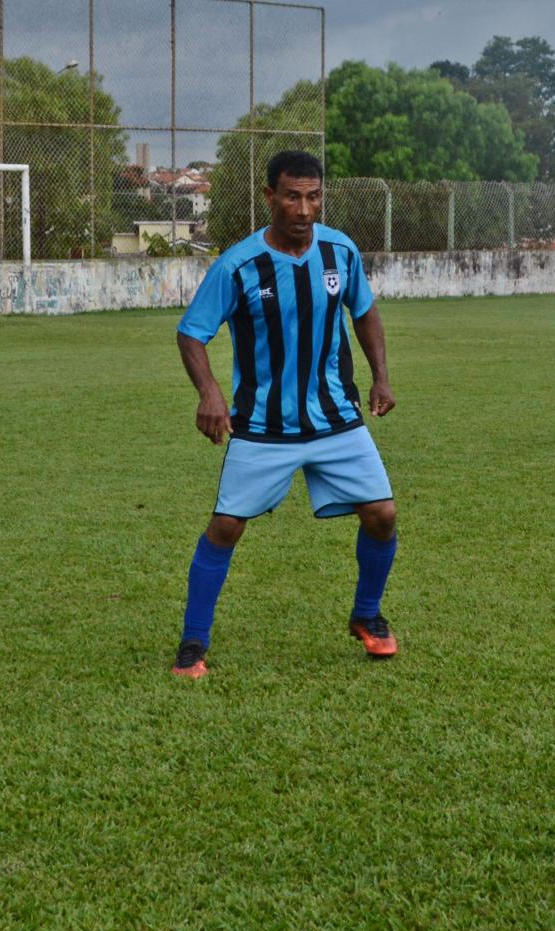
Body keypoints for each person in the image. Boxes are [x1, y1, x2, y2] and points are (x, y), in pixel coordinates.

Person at [170, 150, 401, 679]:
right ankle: (192, 643)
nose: (303, 208)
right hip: (263, 425)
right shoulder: (240, 264)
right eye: (292, 196)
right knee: (226, 526)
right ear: (270, 196)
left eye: (313, 196)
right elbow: (191, 332)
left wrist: (382, 377)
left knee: (382, 514)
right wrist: (209, 392)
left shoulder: (340, 251)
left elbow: (364, 313)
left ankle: (367, 616)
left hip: (335, 416)